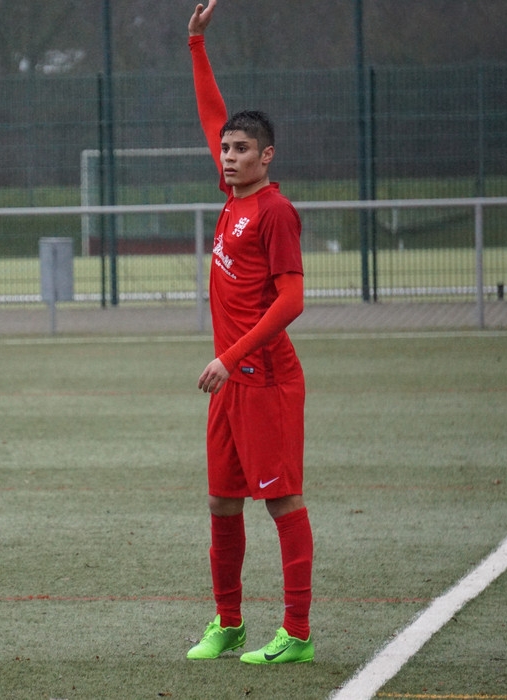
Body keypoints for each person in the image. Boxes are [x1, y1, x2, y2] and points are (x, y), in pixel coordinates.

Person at [185, 0, 315, 665]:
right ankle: (228, 624)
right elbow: (214, 115)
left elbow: (292, 299)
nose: (230, 155)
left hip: (264, 376)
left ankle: (295, 634)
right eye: (227, 149)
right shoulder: (231, 198)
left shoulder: (275, 211)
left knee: (281, 500)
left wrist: (229, 355)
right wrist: (197, 44)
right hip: (232, 381)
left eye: (242, 149)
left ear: (268, 156)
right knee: (221, 501)